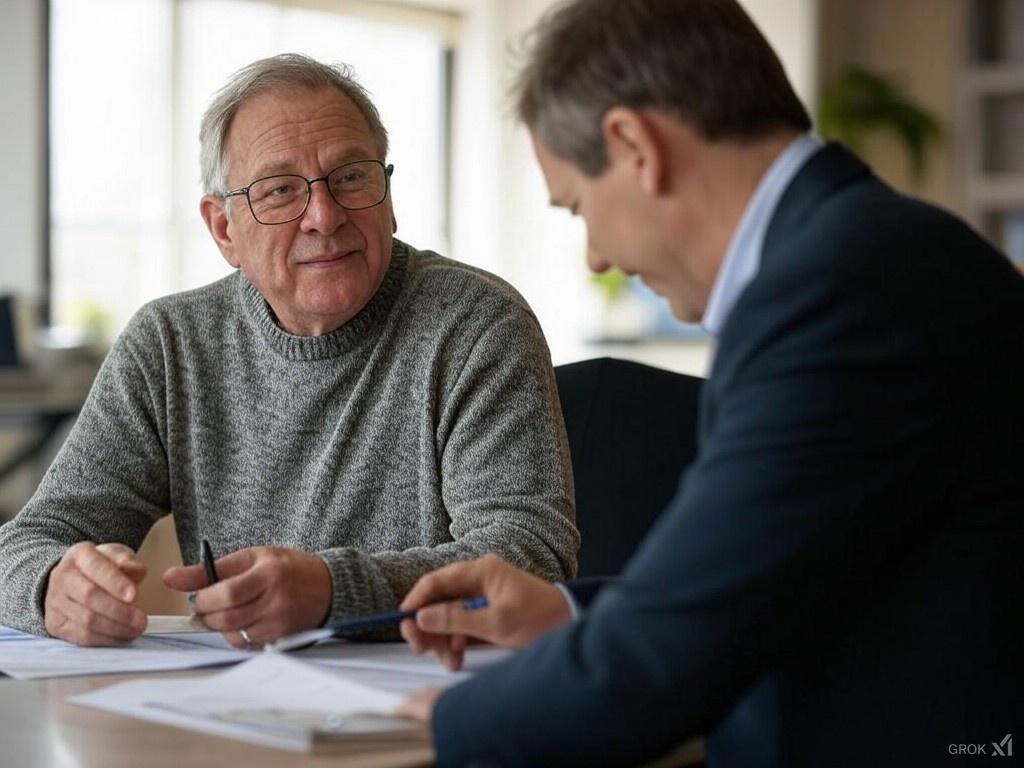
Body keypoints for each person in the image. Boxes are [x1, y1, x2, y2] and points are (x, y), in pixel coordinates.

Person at [395, 1, 1024, 765]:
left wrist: (444, 724)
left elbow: (674, 653)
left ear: (634, 146)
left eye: (579, 207)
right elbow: (781, 576)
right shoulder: (870, 253)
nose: (595, 256)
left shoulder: (840, 289)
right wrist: (567, 610)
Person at [0, 54, 578, 649]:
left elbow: (529, 559)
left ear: (388, 193)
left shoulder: (476, 320)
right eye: (280, 191)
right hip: (237, 705)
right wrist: (52, 587)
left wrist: (334, 593)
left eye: (352, 177)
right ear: (224, 229)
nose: (324, 217)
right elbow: (28, 541)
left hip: (434, 697)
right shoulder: (170, 344)